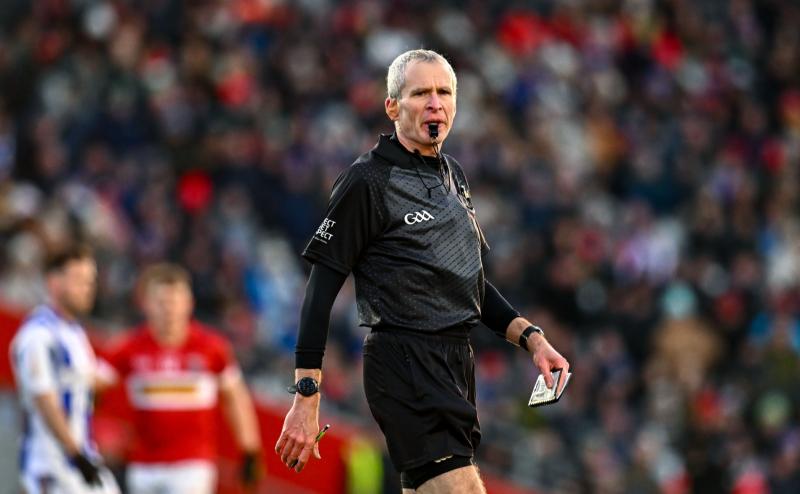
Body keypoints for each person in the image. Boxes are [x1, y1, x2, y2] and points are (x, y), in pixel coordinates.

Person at [275, 49, 571, 493]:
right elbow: (320, 290)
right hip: (405, 360)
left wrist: (532, 338)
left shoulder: (453, 174)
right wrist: (306, 396)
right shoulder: (368, 181)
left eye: (444, 92)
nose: (435, 102)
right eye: (420, 93)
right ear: (392, 106)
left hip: (455, 362)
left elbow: (467, 280)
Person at [96, 263, 262, 494]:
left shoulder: (212, 349)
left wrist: (250, 449)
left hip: (192, 465)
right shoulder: (128, 348)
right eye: (161, 302)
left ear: (189, 304)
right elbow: (92, 387)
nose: (169, 310)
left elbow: (236, 398)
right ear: (146, 305)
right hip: (144, 465)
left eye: (174, 302)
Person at [10, 244, 121, 494]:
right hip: (51, 463)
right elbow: (45, 399)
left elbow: (85, 393)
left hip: (82, 456)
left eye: (90, 281)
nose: (87, 288)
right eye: (78, 280)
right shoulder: (38, 335)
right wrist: (76, 453)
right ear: (54, 282)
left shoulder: (75, 332)